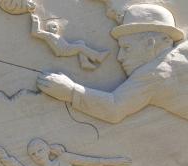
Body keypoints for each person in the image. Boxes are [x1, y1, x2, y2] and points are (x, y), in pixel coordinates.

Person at [36, 4, 188, 124]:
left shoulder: (154, 74)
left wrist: (70, 91)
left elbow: (115, 107)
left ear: (150, 43)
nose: (120, 57)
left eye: (126, 48)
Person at [0, 138, 131, 166]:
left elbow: (90, 162)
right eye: (33, 154)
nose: (37, 155)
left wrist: (114, 162)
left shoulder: (64, 159)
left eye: (40, 150)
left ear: (47, 149)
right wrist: (4, 157)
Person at [30, 14, 110, 70]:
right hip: (62, 50)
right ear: (48, 28)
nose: (56, 28)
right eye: (53, 27)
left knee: (80, 42)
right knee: (80, 47)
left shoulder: (54, 35)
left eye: (57, 27)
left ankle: (84, 62)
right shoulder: (48, 35)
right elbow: (35, 32)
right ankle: (98, 56)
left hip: (66, 47)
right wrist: (35, 20)